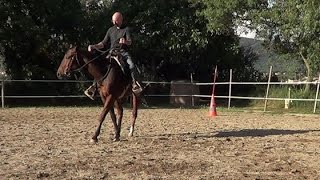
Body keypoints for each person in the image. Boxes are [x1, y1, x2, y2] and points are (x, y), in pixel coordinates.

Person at [85, 12, 142, 100]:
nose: (114, 23)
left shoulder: (126, 29)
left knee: (132, 65)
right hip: (112, 53)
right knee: (100, 66)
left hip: (123, 53)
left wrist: (125, 42)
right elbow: (103, 44)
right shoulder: (110, 30)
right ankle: (93, 87)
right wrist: (94, 46)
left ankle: (135, 84)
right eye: (113, 21)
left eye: (116, 21)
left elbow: (130, 42)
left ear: (121, 20)